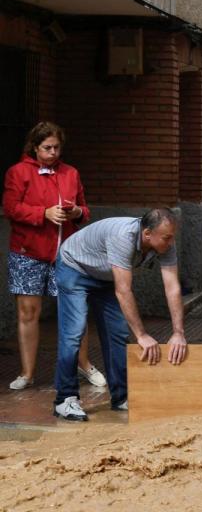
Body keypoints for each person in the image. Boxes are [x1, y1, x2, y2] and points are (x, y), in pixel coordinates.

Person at [52, 208, 188, 421]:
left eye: (172, 237)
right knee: (74, 331)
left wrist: (178, 332)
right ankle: (65, 399)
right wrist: (142, 335)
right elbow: (123, 290)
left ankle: (121, 397)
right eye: (167, 238)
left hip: (105, 276)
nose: (170, 243)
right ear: (147, 234)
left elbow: (172, 287)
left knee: (117, 332)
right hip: (75, 267)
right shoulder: (123, 236)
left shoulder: (165, 242)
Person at [3, 121, 106, 391]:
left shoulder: (71, 173)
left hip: (67, 253)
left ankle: (83, 364)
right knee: (28, 312)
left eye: (57, 148)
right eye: (47, 148)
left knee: (75, 311)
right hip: (28, 252)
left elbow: (85, 209)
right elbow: (11, 208)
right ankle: (27, 373)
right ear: (34, 147)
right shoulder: (18, 172)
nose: (53, 153)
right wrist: (43, 213)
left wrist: (76, 213)